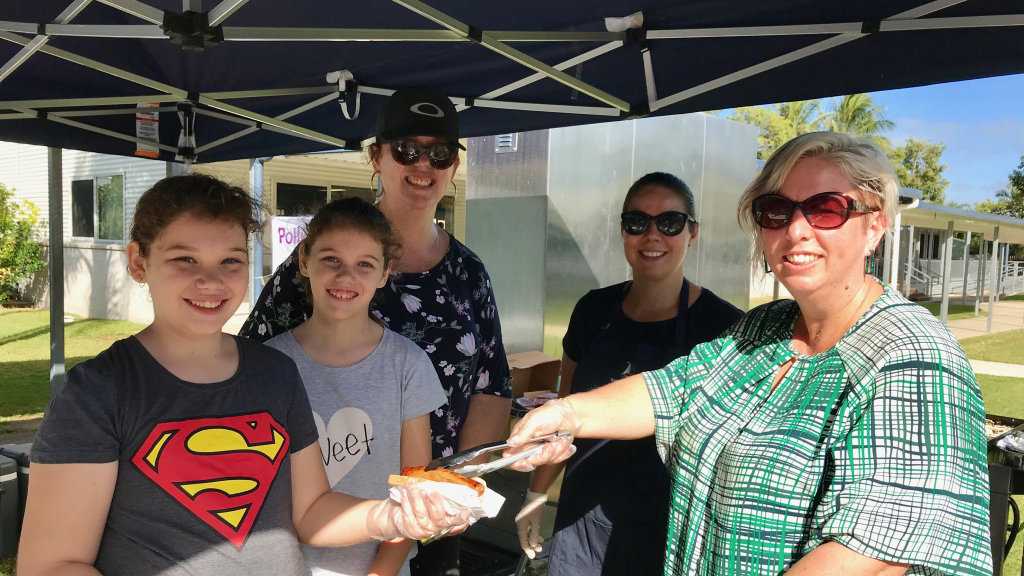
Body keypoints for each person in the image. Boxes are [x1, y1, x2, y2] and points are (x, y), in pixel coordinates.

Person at [504, 132, 992, 576]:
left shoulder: (914, 354)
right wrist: (566, 412)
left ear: (875, 226)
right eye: (776, 211)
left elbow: (876, 552)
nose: (796, 230)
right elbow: (669, 391)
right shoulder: (766, 327)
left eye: (825, 209)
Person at [17, 175, 471, 576]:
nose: (211, 281)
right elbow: (52, 564)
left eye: (230, 261)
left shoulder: (275, 373)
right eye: (185, 260)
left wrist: (394, 518)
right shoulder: (98, 392)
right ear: (139, 262)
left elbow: (311, 510)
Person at [240, 88, 512, 575]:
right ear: (376, 157)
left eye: (440, 153)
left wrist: (451, 495)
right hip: (299, 524)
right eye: (407, 150)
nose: (423, 165)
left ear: (453, 166)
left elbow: (491, 389)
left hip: (426, 514)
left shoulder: (469, 274)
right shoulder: (315, 260)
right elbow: (249, 367)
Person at [514, 172, 742, 574]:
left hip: (671, 530)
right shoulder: (593, 310)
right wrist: (535, 493)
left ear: (693, 233)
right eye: (637, 222)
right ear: (623, 231)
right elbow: (564, 412)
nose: (652, 235)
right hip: (583, 521)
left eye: (669, 222)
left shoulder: (725, 327)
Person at [266, 197, 447, 576]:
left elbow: (414, 487)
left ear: (385, 273)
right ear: (304, 260)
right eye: (331, 260)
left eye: (364, 264)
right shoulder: (268, 365)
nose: (346, 277)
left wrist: (381, 572)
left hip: (382, 566)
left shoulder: (408, 365)